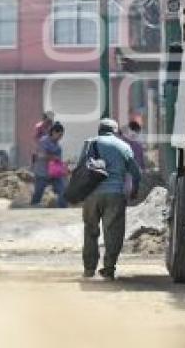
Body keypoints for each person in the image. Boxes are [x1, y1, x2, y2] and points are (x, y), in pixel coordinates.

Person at [81, 118, 142, 281]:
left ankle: (89, 269)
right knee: (113, 232)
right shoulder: (123, 146)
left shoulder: (89, 144)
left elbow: (80, 169)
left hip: (91, 195)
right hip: (115, 195)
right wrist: (134, 190)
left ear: (99, 130)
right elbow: (137, 173)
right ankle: (108, 269)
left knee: (90, 231)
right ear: (115, 131)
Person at [30, 121, 67, 208]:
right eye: (59, 135)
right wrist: (53, 157)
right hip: (42, 173)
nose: (60, 138)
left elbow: (59, 160)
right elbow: (40, 155)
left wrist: (63, 167)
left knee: (63, 192)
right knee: (37, 195)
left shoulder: (58, 146)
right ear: (54, 132)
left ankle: (61, 211)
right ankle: (32, 210)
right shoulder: (44, 141)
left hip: (55, 174)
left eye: (62, 135)